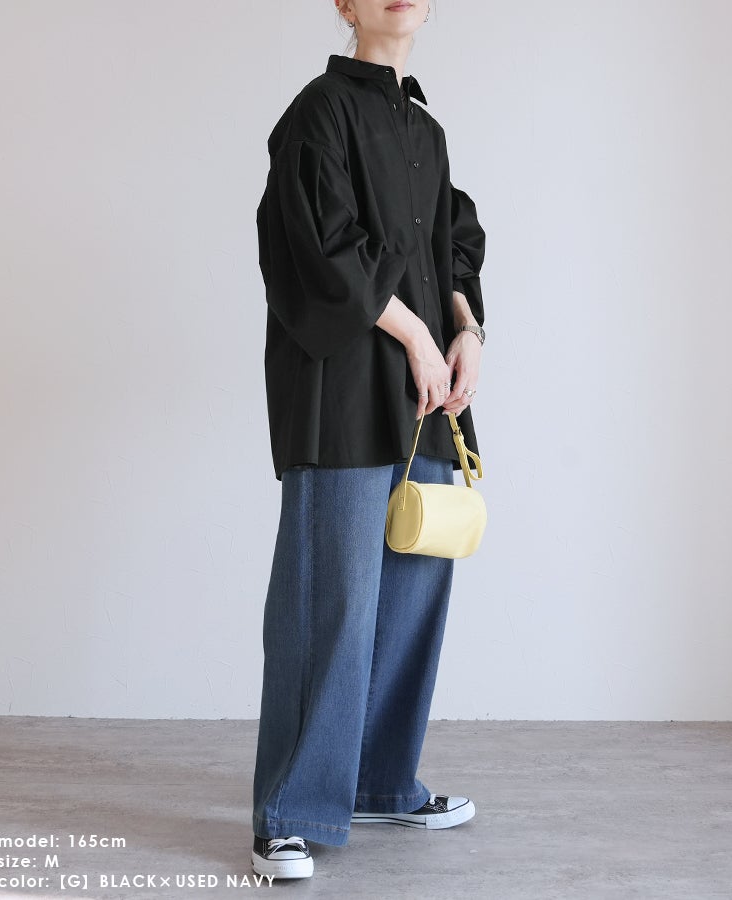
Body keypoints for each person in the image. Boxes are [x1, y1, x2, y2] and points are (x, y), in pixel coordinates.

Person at [251, 0, 487, 880]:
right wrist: (417, 334)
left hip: (425, 396)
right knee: (332, 604)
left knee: (413, 597)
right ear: (344, 6)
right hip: (344, 390)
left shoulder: (426, 131)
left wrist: (465, 329)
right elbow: (317, 247)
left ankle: (381, 781)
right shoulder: (318, 112)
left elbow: (452, 244)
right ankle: (289, 812)